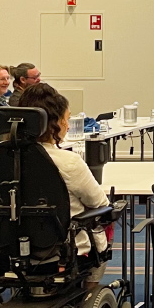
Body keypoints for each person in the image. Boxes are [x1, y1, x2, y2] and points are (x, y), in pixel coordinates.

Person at [16, 83, 111, 289]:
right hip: (61, 249)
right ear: (54, 125)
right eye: (66, 119)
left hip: (14, 247)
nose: (68, 125)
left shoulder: (5, 157)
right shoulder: (67, 161)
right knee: (105, 218)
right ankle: (89, 293)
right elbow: (100, 203)